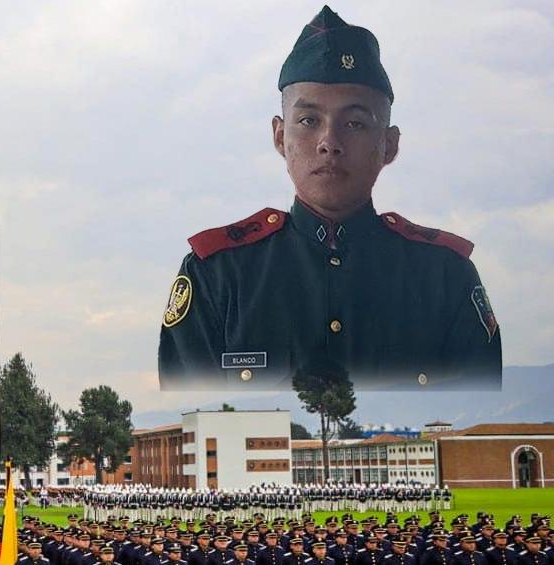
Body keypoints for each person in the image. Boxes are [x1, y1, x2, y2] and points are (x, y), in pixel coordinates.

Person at [157, 4, 502, 390]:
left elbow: (475, 415)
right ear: (279, 136)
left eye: (354, 123)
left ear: (389, 145)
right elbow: (194, 423)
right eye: (308, 121)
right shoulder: (216, 276)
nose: (329, 143)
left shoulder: (445, 277)